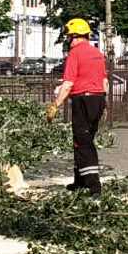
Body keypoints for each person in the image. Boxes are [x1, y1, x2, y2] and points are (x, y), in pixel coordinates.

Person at [46, 18, 107, 195]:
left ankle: (93, 186)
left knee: (83, 142)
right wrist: (105, 104)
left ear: (75, 36)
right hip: (98, 100)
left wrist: (56, 104)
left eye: (69, 37)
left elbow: (68, 83)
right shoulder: (97, 53)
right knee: (83, 141)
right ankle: (79, 181)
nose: (68, 40)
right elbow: (104, 81)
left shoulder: (75, 53)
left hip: (83, 100)